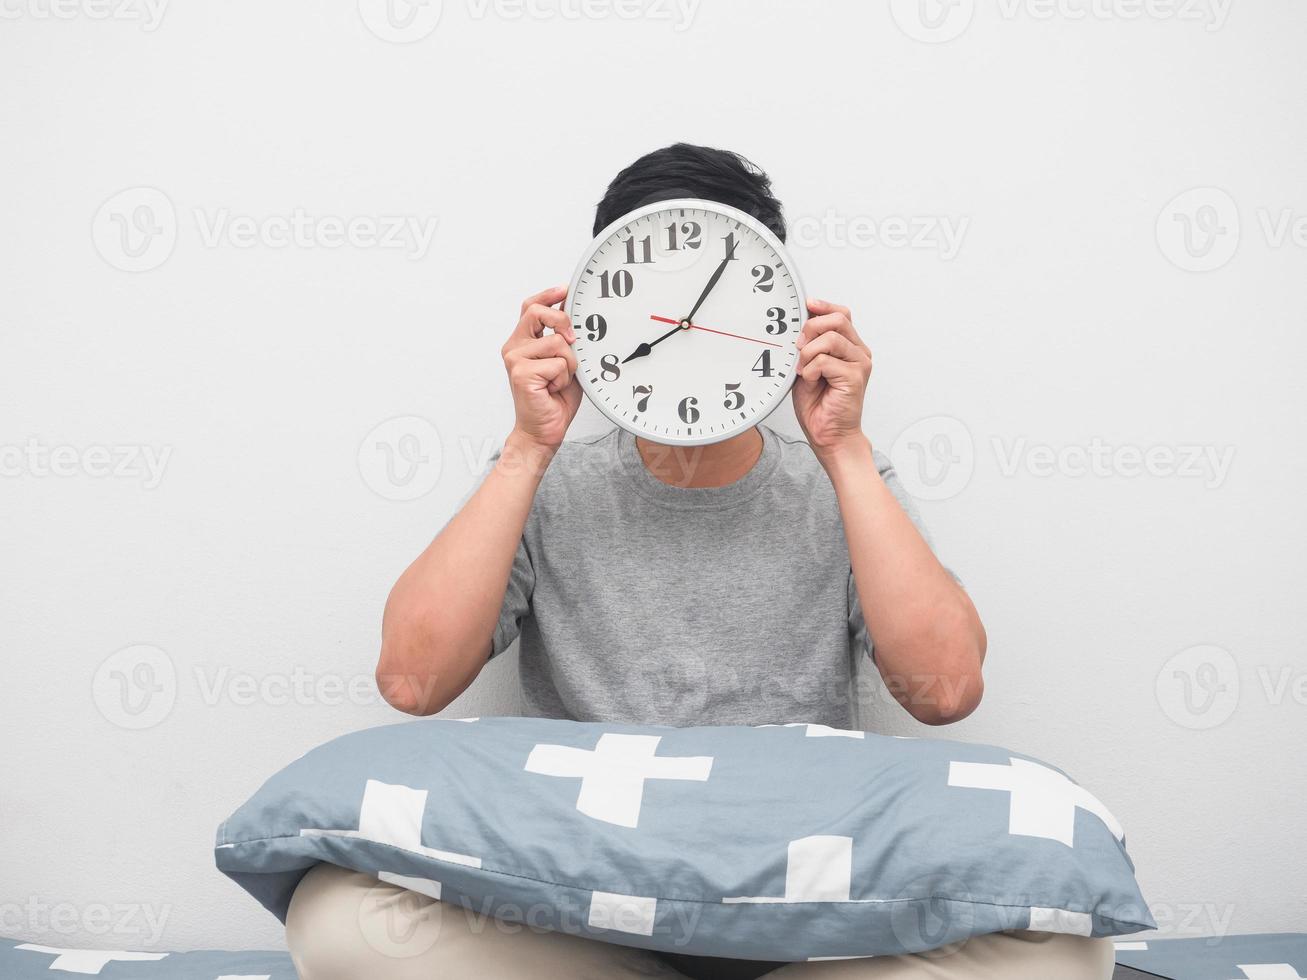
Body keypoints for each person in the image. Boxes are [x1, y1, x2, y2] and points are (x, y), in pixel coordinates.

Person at [285, 144, 1114, 980]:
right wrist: (525, 448)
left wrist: (848, 451)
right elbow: (411, 681)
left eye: (709, 302)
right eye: (653, 299)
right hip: (589, 907)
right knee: (332, 918)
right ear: (593, 315)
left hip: (798, 899)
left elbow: (946, 691)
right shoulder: (543, 483)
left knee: (1070, 953)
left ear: (778, 315)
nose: (681, 325)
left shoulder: (845, 484)